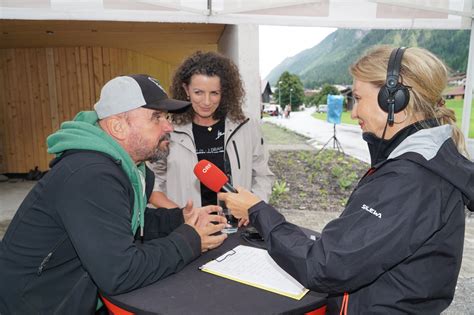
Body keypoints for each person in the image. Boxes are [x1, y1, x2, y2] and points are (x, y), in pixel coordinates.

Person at [219, 46, 474, 314]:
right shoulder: (419, 163)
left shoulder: (410, 180)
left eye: (358, 98)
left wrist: (257, 211)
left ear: (394, 99)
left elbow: (326, 266)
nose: (353, 113)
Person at [0, 74, 228, 314]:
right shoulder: (90, 175)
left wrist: (180, 218)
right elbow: (120, 272)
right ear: (118, 127)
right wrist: (190, 239)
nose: (168, 126)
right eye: (157, 117)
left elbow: (120, 221)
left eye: (167, 117)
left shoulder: (126, 167)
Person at [148, 51, 274, 216]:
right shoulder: (169, 129)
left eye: (214, 93)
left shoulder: (247, 126)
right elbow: (153, 180)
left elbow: (262, 176)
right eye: (198, 92)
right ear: (186, 89)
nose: (207, 102)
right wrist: (180, 216)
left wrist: (252, 212)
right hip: (188, 229)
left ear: (224, 92)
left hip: (237, 227)